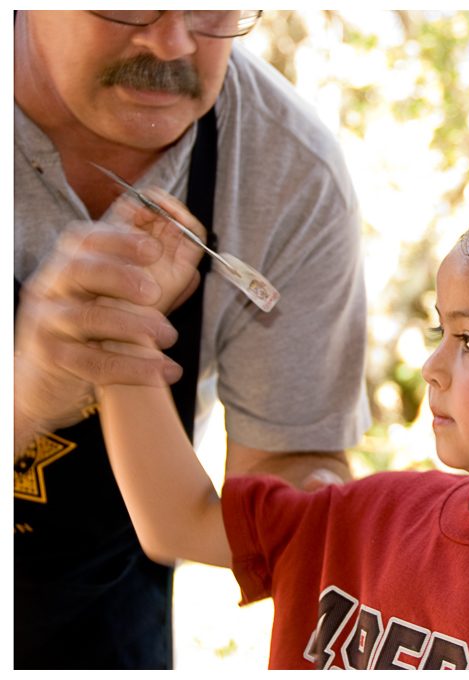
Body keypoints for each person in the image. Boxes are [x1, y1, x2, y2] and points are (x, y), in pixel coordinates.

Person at [95, 191, 469, 669]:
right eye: (443, 332)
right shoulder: (370, 517)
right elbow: (176, 520)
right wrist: (119, 319)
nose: (432, 368)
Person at [14, 10, 370, 669]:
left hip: (100, 619)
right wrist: (25, 396)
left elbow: (279, 497)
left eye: (212, 9)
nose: (174, 42)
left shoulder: (291, 172)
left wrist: (337, 519)